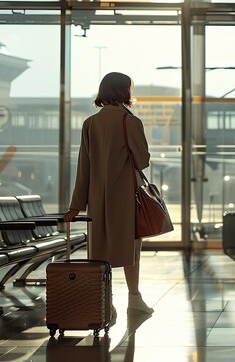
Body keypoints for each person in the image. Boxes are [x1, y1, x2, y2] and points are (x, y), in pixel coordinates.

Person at [64, 72, 154, 316]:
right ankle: (134, 298)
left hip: (97, 198)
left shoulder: (90, 123)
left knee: (101, 251)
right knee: (130, 250)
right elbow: (142, 161)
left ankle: (106, 302)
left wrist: (76, 205)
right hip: (126, 197)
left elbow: (84, 166)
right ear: (124, 91)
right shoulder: (130, 121)